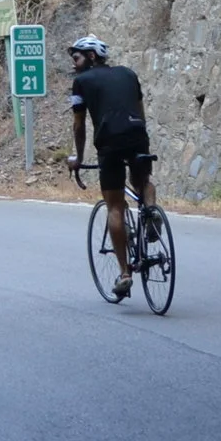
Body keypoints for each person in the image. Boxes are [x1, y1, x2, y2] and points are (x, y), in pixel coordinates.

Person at [65, 34, 157, 299]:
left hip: (110, 142)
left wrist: (78, 158)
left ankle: (125, 273)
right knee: (142, 182)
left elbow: (79, 125)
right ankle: (151, 211)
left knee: (114, 205)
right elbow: (140, 110)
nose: (74, 64)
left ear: (92, 56)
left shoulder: (81, 82)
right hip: (138, 134)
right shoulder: (128, 73)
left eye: (77, 57)